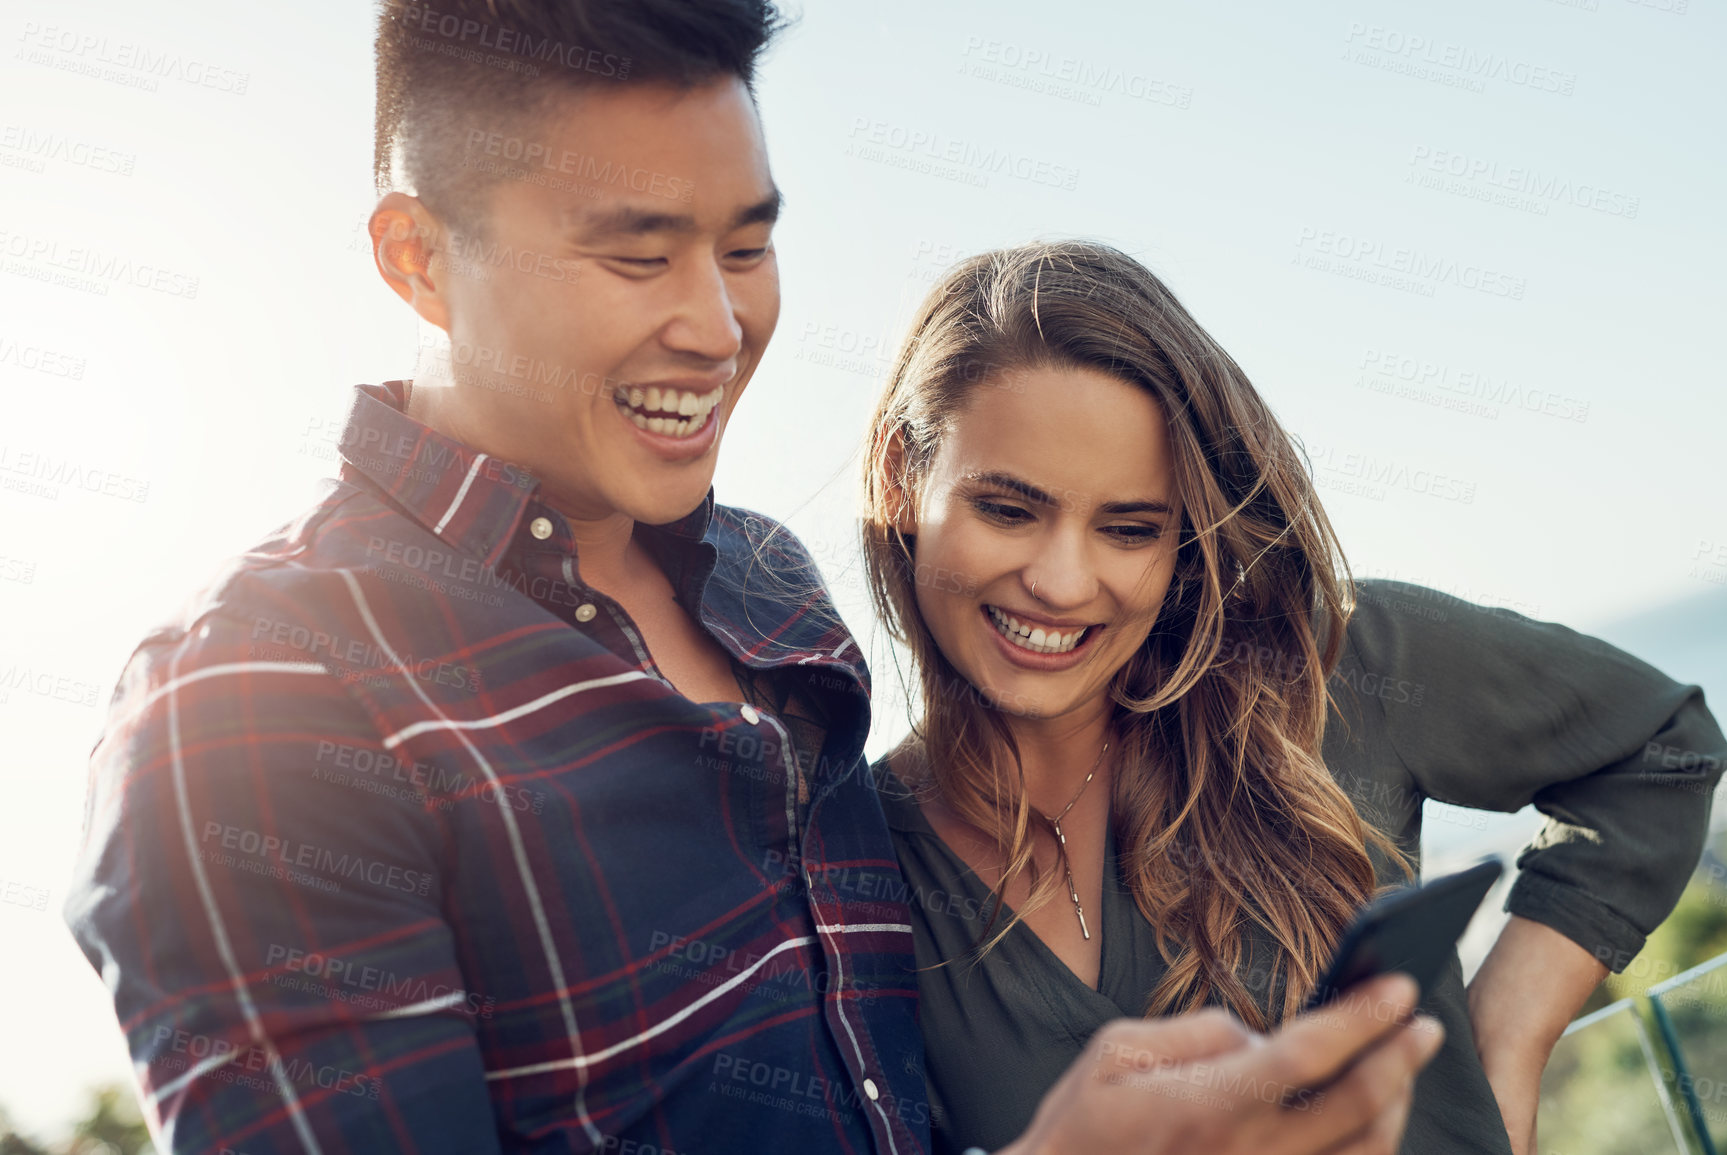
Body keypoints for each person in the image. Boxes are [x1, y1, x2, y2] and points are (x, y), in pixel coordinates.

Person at [62, 3, 1444, 1152]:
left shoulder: (768, 585)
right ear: (421, 260)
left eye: (743, 244)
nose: (718, 326)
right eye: (635, 251)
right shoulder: (259, 702)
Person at [858, 239, 1727, 1155]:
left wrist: (1507, 1036)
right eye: (1007, 508)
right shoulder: (852, 876)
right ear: (899, 477)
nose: (1064, 582)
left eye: (1128, 528)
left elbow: (1661, 747)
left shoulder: (1324, 666)